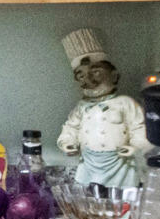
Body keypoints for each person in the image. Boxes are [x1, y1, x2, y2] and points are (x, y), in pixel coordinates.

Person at [55, 28, 151, 188]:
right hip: (89, 163)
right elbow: (70, 127)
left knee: (120, 195)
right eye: (81, 76)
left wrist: (135, 147)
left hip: (119, 163)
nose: (89, 81)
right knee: (88, 194)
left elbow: (139, 128)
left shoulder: (125, 103)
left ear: (114, 75)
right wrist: (67, 143)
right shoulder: (81, 107)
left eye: (96, 73)